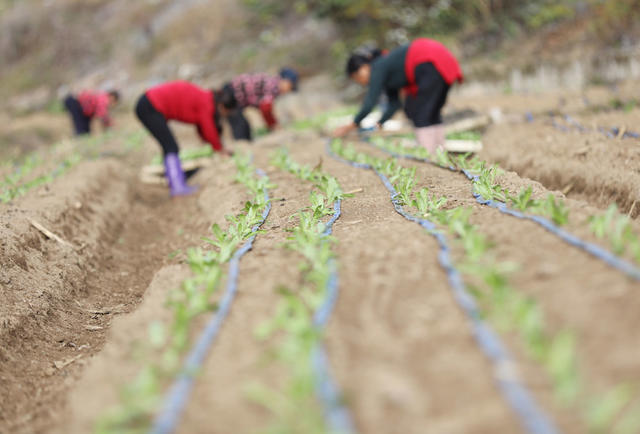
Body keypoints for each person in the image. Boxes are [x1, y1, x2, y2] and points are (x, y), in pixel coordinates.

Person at [333, 38, 463, 152]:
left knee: (419, 111)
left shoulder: (378, 67)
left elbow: (370, 101)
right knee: (429, 111)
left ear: (363, 68)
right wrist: (380, 123)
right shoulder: (385, 70)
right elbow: (394, 104)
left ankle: (428, 153)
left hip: (429, 62)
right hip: (436, 61)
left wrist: (353, 124)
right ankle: (438, 150)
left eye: (358, 78)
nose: (361, 83)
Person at [135, 80, 235, 197]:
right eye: (225, 112)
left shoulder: (206, 98)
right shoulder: (207, 103)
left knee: (169, 146)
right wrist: (219, 149)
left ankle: (176, 183)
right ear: (222, 106)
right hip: (150, 105)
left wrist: (215, 145)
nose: (224, 115)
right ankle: (177, 187)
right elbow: (209, 129)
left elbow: (202, 127)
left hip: (148, 104)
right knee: (171, 146)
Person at [222, 67, 299, 141]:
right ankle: (240, 145)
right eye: (290, 86)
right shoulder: (273, 85)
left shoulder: (272, 82)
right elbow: (265, 108)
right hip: (230, 95)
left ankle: (241, 143)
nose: (289, 90)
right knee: (241, 128)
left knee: (244, 129)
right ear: (285, 80)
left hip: (235, 96)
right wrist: (273, 125)